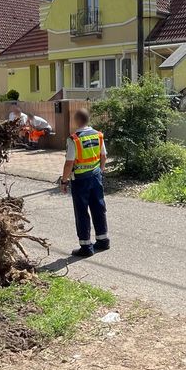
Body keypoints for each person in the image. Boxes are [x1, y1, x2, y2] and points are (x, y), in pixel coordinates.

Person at [60, 108, 109, 258]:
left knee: (82, 212)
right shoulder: (98, 135)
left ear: (77, 121)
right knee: (98, 207)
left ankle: (86, 246)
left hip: (80, 180)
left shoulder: (74, 139)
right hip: (95, 177)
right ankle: (103, 240)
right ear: (88, 120)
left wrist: (64, 181)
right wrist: (99, 171)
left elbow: (69, 163)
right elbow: (104, 156)